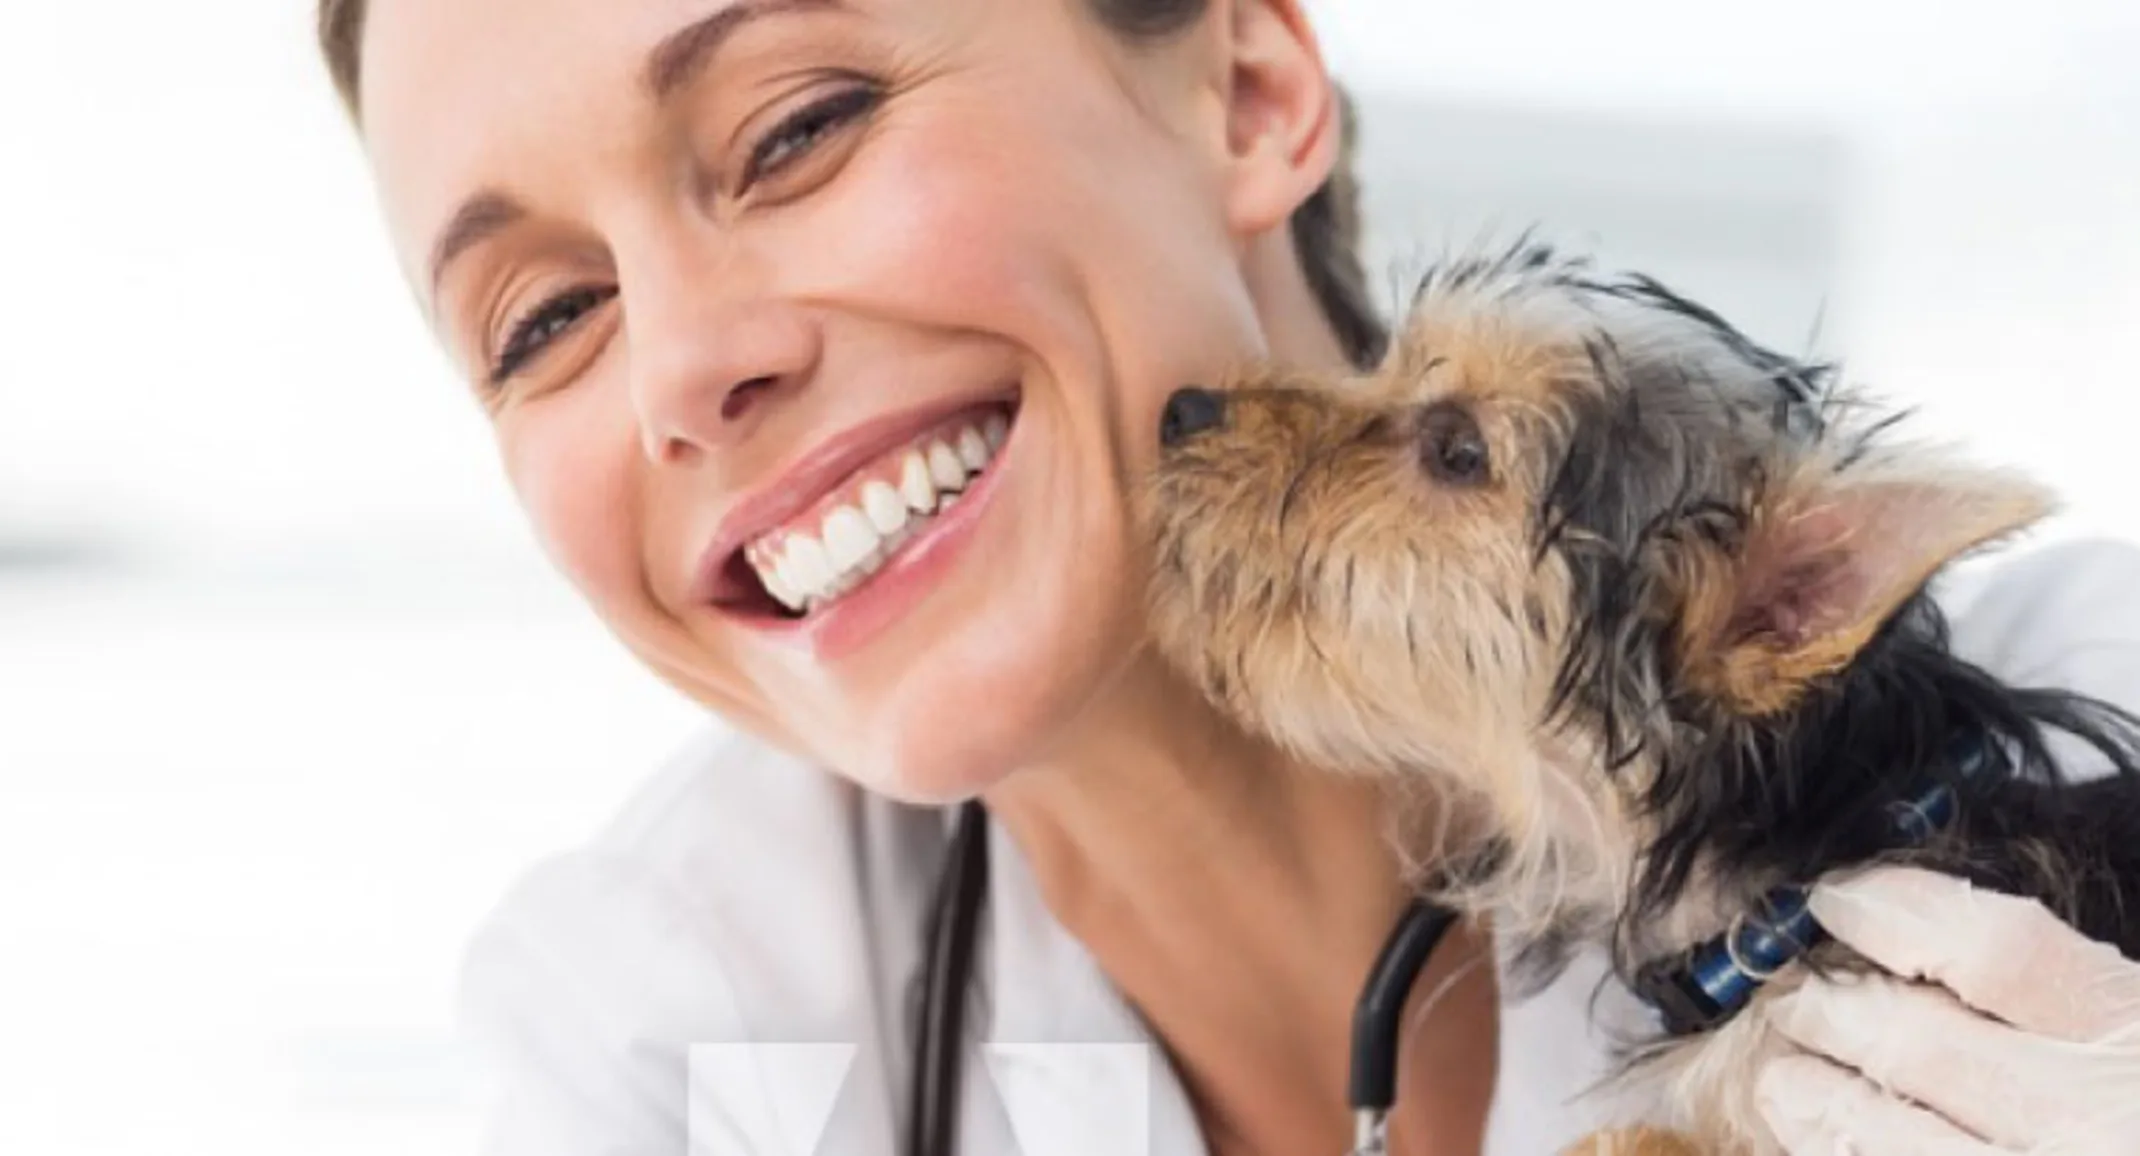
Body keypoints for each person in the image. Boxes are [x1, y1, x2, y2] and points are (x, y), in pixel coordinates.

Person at [319, 0, 2140, 1152]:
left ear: (1251, 88)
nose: (683, 364)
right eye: (545, 317)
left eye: (796, 126)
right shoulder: (656, 1013)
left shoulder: (2095, 723)